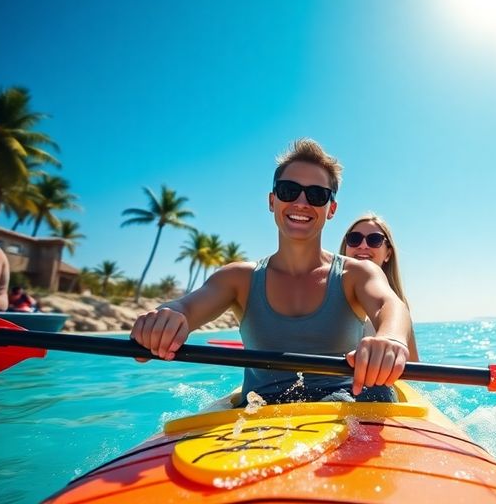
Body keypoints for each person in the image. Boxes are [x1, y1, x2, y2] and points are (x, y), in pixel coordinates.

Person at [129, 139, 412, 404]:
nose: (301, 202)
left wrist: (389, 338)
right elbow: (186, 307)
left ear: (331, 209)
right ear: (272, 200)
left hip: (349, 407)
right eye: (289, 190)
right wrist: (166, 317)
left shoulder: (357, 274)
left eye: (316, 195)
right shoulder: (237, 278)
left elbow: (390, 305)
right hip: (262, 417)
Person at [339, 213, 420, 361]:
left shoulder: (398, 304)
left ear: (388, 253)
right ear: (346, 247)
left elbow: (413, 366)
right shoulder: (327, 290)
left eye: (374, 240)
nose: (363, 245)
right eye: (354, 239)